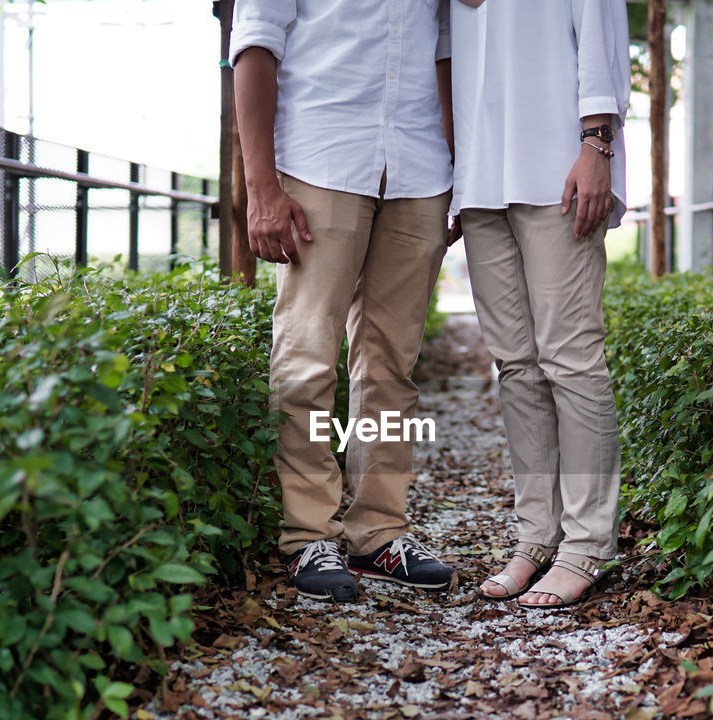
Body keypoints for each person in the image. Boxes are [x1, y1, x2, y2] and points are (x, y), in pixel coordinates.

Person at [231, 0, 458, 603]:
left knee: (392, 363)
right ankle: (307, 533)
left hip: (418, 167)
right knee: (307, 355)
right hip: (320, 157)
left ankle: (379, 531)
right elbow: (254, 44)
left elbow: (446, 52)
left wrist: (460, 170)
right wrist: (260, 185)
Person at [452, 0, 631, 608]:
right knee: (516, 366)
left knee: (570, 359)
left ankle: (585, 545)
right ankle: (537, 537)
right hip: (480, 180)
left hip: (560, 170)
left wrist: (597, 144)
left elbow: (600, 36)